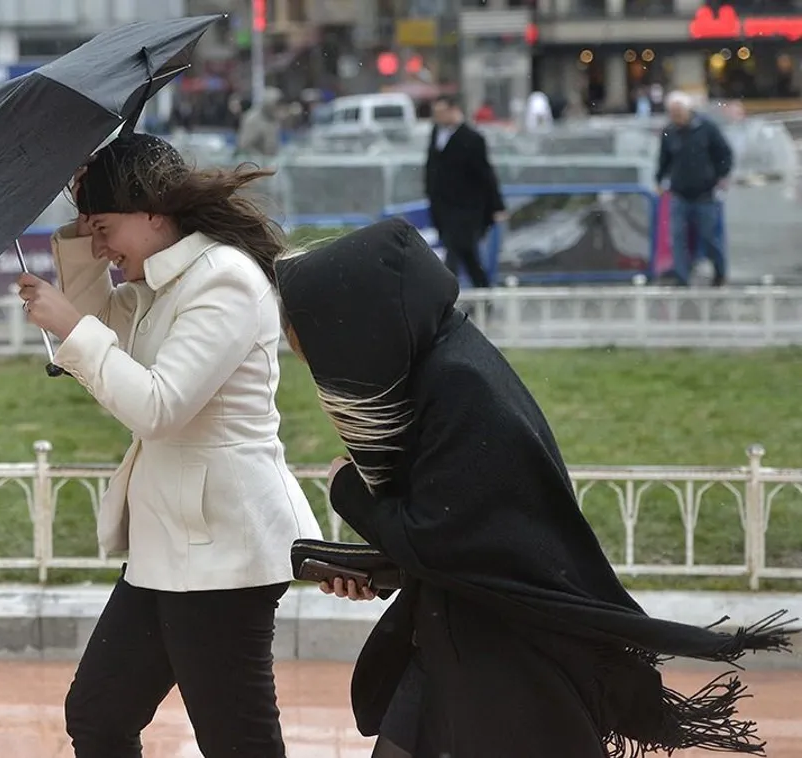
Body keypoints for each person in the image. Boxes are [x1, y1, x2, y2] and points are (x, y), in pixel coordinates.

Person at [274, 218, 794, 758]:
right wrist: (380, 573)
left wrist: (345, 490)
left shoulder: (459, 386)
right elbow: (466, 537)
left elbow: (440, 537)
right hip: (461, 641)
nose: (327, 374)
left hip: (505, 661)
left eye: (322, 354)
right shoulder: (443, 364)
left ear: (362, 330)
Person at [16, 133, 323, 757]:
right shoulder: (163, 281)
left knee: (237, 741)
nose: (102, 247)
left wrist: (71, 328)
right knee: (99, 713)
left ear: (154, 211)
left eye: (105, 229)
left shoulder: (225, 280)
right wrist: (78, 238)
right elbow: (104, 333)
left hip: (224, 549)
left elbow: (157, 405)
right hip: (171, 546)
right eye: (92, 232)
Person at [425, 95, 506, 289]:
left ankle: (445, 297)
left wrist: (497, 206)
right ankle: (483, 292)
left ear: (453, 110)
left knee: (455, 252)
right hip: (443, 206)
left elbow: (485, 174)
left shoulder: (472, 139)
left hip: (466, 208)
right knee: (467, 256)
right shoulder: (437, 134)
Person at [657, 90, 733, 287]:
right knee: (678, 237)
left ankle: (720, 272)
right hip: (679, 192)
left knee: (709, 236)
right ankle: (682, 277)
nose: (676, 117)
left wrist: (721, 175)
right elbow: (664, 159)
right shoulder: (670, 132)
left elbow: (723, 152)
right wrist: (659, 180)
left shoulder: (707, 128)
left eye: (679, 112)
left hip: (704, 192)